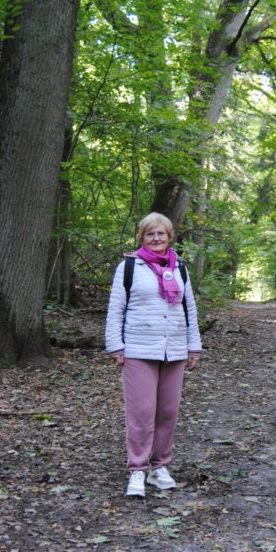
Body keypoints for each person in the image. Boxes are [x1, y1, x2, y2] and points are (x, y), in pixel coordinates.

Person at [105, 212, 201, 497]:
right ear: (142, 237)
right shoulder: (129, 267)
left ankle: (160, 467)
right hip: (138, 349)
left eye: (161, 233)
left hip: (174, 349)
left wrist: (193, 346)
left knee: (168, 412)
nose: (156, 238)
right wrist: (116, 346)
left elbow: (189, 309)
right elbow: (115, 309)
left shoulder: (180, 267)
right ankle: (137, 469)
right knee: (142, 413)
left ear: (169, 236)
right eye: (150, 234)